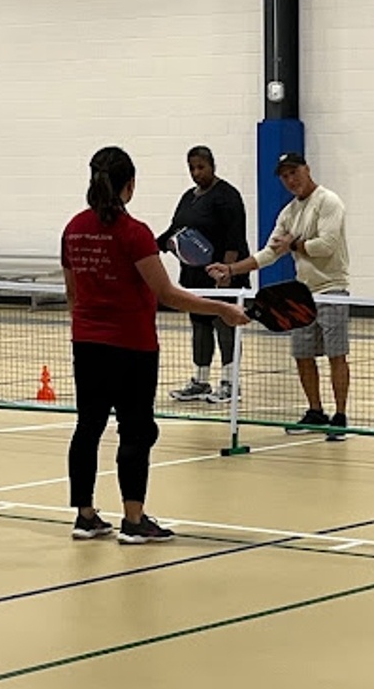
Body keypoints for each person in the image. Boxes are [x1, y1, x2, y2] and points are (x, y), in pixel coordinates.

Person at [61, 146, 248, 544]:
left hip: (87, 344)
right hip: (132, 347)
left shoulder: (73, 229)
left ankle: (85, 515)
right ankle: (133, 519)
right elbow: (168, 293)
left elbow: (73, 295)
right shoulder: (134, 233)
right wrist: (222, 309)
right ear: (129, 185)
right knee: (136, 431)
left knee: (87, 428)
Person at [208, 152, 351, 440]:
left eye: (293, 173)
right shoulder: (288, 213)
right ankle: (315, 411)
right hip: (302, 292)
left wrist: (294, 244)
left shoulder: (328, 202)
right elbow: (269, 253)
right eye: (284, 176)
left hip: (332, 289)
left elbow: (327, 245)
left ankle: (340, 417)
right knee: (302, 355)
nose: (290, 180)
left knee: (337, 354)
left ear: (306, 169)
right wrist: (231, 269)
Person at [156, 146, 250, 404]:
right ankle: (200, 381)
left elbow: (235, 238)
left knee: (225, 324)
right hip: (195, 276)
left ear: (212, 166)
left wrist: (226, 274)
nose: (197, 173)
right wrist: (152, 247)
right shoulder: (189, 197)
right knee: (199, 325)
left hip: (224, 276)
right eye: (192, 168)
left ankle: (230, 383)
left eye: (201, 167)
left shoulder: (227, 196)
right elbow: (175, 230)